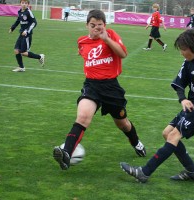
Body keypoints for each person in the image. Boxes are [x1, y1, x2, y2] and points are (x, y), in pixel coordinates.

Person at [120, 29, 194, 183]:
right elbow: (179, 84)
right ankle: (192, 171)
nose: (181, 52)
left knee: (173, 136)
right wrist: (183, 99)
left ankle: (144, 172)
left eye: (183, 49)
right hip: (190, 106)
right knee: (167, 133)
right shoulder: (187, 63)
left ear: (193, 48)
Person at [53, 9, 146, 171]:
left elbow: (123, 53)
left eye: (100, 25)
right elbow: (82, 51)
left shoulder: (110, 35)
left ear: (105, 25)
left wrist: (107, 40)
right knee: (83, 116)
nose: (96, 28)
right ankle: (66, 153)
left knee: (123, 123)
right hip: (91, 86)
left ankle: (136, 142)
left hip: (111, 87)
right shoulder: (82, 41)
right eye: (93, 25)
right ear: (87, 25)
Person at [9, 0, 45, 72]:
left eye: (26, 3)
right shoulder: (20, 12)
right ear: (20, 3)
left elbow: (34, 22)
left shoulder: (29, 12)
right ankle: (21, 67)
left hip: (27, 35)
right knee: (16, 50)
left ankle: (40, 56)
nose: (24, 4)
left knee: (23, 52)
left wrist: (26, 31)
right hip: (21, 34)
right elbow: (18, 21)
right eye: (22, 3)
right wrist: (12, 28)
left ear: (28, 4)